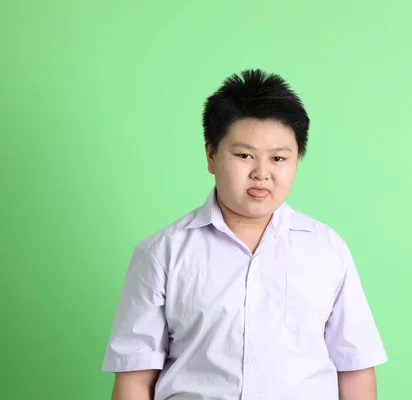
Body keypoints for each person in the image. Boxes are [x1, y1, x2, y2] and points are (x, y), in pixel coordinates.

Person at [101, 69, 388, 400]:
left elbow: (354, 369)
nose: (261, 173)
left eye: (278, 158)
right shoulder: (161, 253)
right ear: (211, 154)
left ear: (296, 160)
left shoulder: (327, 249)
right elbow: (134, 379)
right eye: (244, 155)